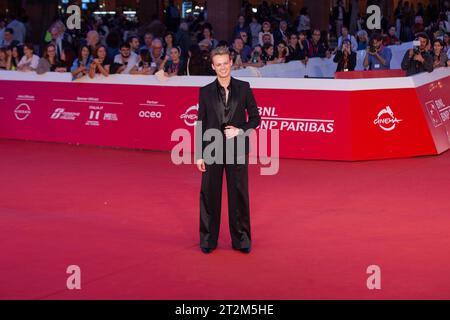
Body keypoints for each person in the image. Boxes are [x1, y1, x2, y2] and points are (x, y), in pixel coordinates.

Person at [195, 46, 260, 254]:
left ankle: (241, 240)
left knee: (239, 195)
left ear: (231, 63)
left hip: (237, 148)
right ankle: (208, 240)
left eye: (226, 63)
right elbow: (200, 123)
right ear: (213, 67)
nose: (223, 68)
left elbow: (256, 118)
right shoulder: (204, 91)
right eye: (218, 64)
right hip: (212, 149)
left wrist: (240, 131)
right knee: (209, 195)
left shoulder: (244, 87)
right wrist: (198, 154)